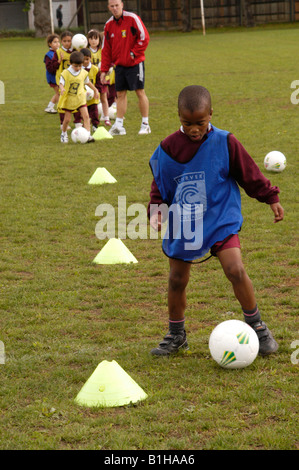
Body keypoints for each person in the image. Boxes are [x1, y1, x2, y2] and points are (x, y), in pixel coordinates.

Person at [148, 85, 284, 357]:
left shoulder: (225, 141)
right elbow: (159, 185)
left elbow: (249, 173)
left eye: (200, 122)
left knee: (235, 269)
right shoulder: (167, 148)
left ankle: (257, 326)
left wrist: (270, 197)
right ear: (178, 117)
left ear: (211, 114)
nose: (194, 129)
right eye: (187, 123)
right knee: (176, 279)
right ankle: (176, 335)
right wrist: (156, 209)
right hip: (186, 220)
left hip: (221, 216)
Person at [100, 0, 150, 136]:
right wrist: (104, 70)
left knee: (140, 92)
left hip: (135, 63)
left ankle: (145, 124)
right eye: (112, 6)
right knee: (120, 94)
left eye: (117, 5)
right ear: (108, 7)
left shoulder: (133, 18)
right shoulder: (108, 25)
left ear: (122, 5)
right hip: (119, 65)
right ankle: (119, 126)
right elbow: (106, 49)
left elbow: (144, 37)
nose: (115, 8)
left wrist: (133, 53)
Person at [58, 51, 99, 143]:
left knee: (86, 116)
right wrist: (62, 88)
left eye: (80, 66)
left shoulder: (83, 73)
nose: (78, 68)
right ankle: (63, 133)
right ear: (70, 63)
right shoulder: (65, 73)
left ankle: (88, 135)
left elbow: (87, 82)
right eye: (76, 66)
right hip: (70, 99)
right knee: (67, 119)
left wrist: (95, 90)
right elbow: (61, 83)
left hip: (80, 98)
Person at [86, 30, 113, 126]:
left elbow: (109, 62)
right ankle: (87, 118)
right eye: (91, 39)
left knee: (104, 98)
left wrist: (108, 69)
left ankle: (106, 118)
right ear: (87, 40)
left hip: (102, 78)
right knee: (89, 100)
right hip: (90, 80)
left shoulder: (103, 50)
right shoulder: (86, 51)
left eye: (95, 38)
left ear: (99, 40)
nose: (93, 41)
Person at [81, 48, 110, 130]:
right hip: (82, 95)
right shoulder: (79, 69)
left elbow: (98, 81)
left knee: (94, 111)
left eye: (87, 59)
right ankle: (84, 124)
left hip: (93, 95)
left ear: (90, 58)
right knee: (83, 111)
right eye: (83, 59)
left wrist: (97, 91)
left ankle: (95, 125)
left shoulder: (95, 69)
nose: (85, 61)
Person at [44, 34, 60, 113]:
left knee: (59, 92)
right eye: (55, 42)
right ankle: (54, 107)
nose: (57, 44)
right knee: (59, 93)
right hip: (52, 77)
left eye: (58, 42)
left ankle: (49, 107)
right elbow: (49, 68)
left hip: (58, 77)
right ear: (50, 44)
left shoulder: (59, 52)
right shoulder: (48, 55)